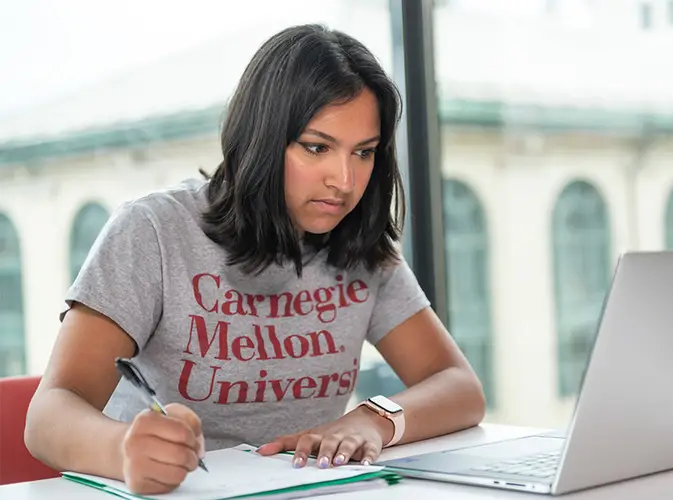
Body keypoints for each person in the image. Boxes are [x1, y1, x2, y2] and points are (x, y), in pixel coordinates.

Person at [24, 23, 486, 495]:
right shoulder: (154, 231)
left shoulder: (360, 245)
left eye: (364, 153)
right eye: (316, 147)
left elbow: (458, 387)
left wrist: (377, 419)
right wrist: (122, 450)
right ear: (262, 137)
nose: (345, 180)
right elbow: (48, 415)